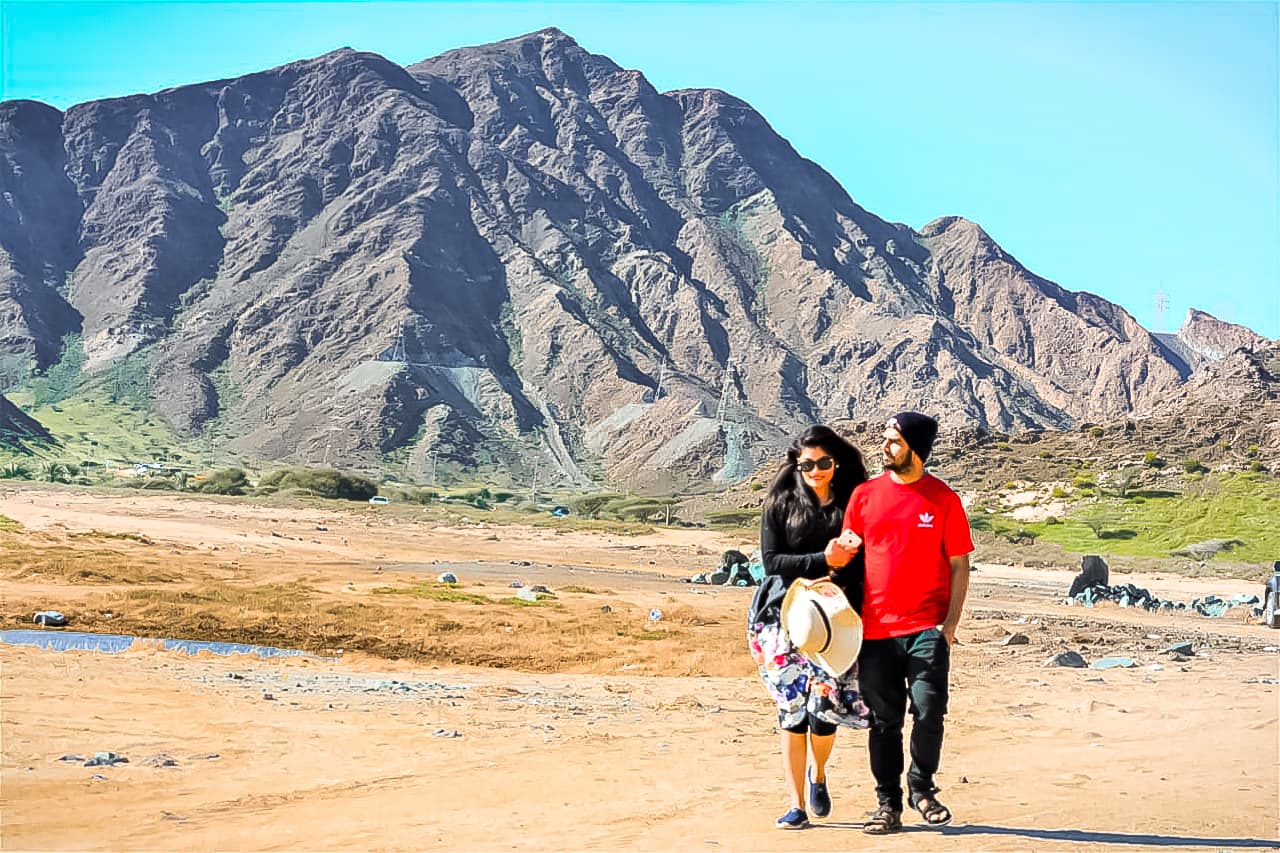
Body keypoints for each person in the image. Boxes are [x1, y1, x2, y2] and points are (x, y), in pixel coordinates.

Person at [838, 411, 974, 835]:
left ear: (916, 449)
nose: (885, 447)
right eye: (885, 439)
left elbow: (959, 565)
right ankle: (888, 805)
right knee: (884, 721)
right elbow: (848, 558)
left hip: (926, 629)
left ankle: (922, 789)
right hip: (875, 631)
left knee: (930, 710)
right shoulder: (864, 497)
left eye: (894, 441)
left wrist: (948, 626)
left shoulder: (943, 499)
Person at [748, 425, 870, 829]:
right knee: (791, 713)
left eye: (823, 463)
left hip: (833, 622)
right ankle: (796, 803)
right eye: (807, 464)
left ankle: (819, 773)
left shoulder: (854, 504)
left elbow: (867, 561)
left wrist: (839, 577)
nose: (815, 471)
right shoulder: (781, 502)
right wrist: (823, 559)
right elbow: (772, 562)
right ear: (796, 465)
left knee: (823, 713)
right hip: (780, 619)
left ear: (837, 462)